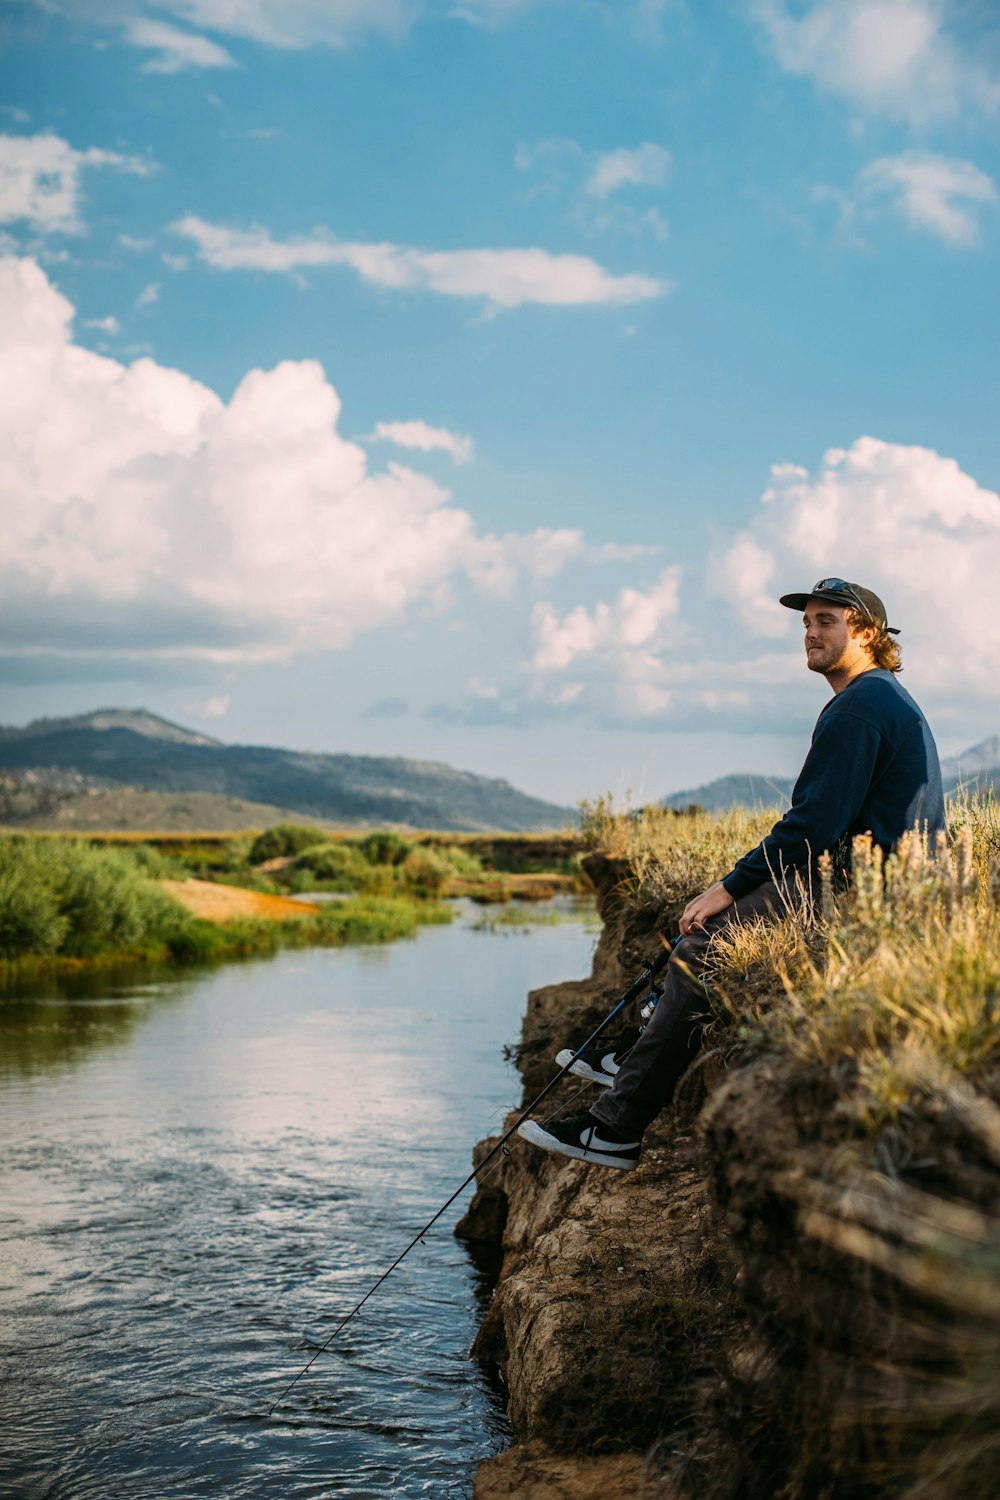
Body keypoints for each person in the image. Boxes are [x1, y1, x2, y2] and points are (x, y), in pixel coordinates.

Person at [518, 578, 945, 1171]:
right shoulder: (878, 697)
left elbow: (811, 829)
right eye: (806, 623)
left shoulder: (863, 706)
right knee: (715, 926)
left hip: (866, 890)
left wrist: (726, 887)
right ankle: (639, 1052)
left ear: (867, 632)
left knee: (703, 946)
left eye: (826, 621)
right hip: (869, 877)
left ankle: (614, 1128)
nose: (810, 633)